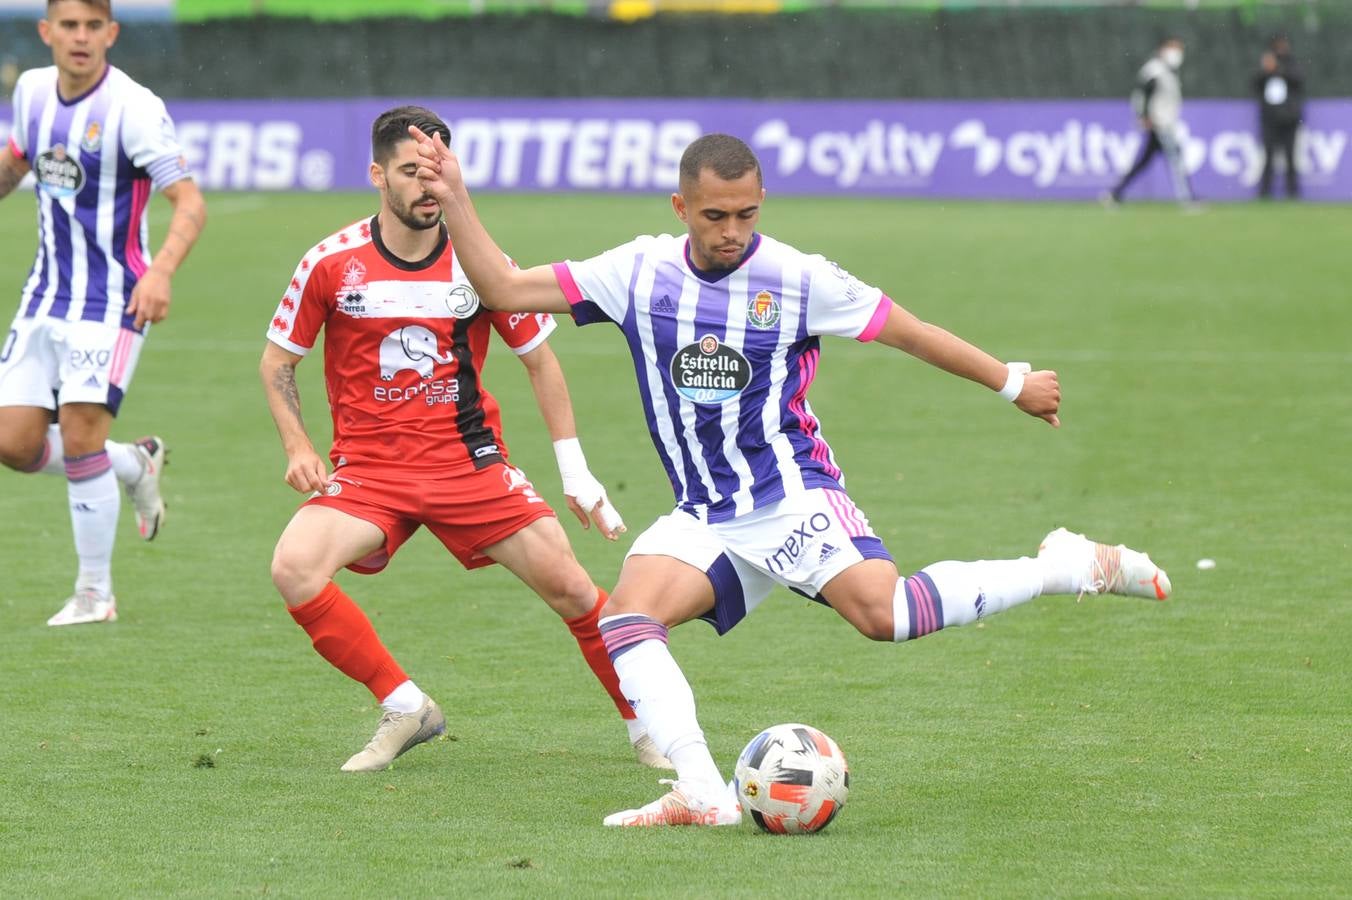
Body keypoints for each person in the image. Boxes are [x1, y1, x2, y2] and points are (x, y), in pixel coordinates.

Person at [411, 127, 1175, 826]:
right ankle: (701, 792)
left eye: (745, 214)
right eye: (715, 216)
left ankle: (1064, 565)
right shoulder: (635, 272)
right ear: (682, 207)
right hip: (706, 511)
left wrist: (1010, 383)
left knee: (887, 617)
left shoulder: (798, 278)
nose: (733, 232)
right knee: (625, 621)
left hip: (789, 494)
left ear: (761, 203)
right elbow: (507, 292)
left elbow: (908, 332)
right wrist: (456, 201)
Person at [261, 106, 670, 773]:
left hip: (469, 467)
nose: (428, 187)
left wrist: (576, 470)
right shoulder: (331, 264)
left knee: (572, 587)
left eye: (439, 172)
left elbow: (540, 359)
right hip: (370, 472)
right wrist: (299, 447)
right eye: (411, 172)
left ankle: (647, 724)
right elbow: (279, 360)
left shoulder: (482, 267)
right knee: (294, 567)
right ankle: (404, 706)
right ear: (377, 175)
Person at [0, 0, 206, 626]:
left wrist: (161, 273)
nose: (81, 38)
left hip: (112, 299)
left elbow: (189, 203)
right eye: (69, 26)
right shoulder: (32, 91)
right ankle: (131, 463)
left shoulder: (134, 108)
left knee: (82, 432)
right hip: (45, 294)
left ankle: (95, 594)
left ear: (111, 33)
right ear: (47, 33)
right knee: (12, 442)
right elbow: (17, 161)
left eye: (94, 26)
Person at [1104, 36, 1197, 209]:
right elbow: (1142, 94)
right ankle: (1187, 199)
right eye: (1173, 48)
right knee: (1176, 159)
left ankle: (1114, 193)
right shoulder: (1155, 70)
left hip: (1164, 122)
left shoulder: (1168, 71)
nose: (1177, 53)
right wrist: (1143, 116)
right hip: (1158, 122)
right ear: (1162, 49)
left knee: (1143, 161)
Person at [1254, 34, 1304, 199]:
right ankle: (1265, 192)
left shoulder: (1291, 63)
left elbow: (1298, 80)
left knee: (1290, 156)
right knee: (1268, 155)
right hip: (1270, 118)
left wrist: (1279, 69)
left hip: (1289, 117)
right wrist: (1267, 69)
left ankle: (1292, 192)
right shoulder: (1265, 65)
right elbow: (1255, 83)